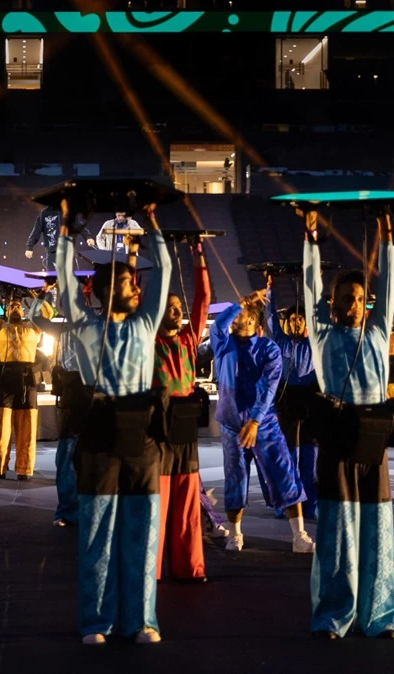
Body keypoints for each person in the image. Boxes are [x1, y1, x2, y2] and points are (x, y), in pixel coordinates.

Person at [57, 200, 168, 645]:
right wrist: (66, 231)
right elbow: (66, 283)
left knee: (141, 532)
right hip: (101, 433)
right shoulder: (85, 326)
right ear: (104, 291)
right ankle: (96, 622)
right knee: (98, 533)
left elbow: (163, 277)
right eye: (126, 281)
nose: (136, 285)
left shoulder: (145, 323)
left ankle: (141, 620)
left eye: (134, 279)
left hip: (141, 433)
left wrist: (154, 226)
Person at [303, 207, 394, 639]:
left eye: (361, 299)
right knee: (338, 532)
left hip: (373, 440)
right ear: (334, 304)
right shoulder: (322, 335)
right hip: (339, 440)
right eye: (347, 299)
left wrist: (388, 239)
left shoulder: (378, 332)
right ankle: (333, 616)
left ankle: (378, 616)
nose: (355, 305)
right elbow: (308, 291)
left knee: (377, 531)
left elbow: (391, 287)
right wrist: (312, 241)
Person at [210, 290, 314, 553]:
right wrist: (239, 305)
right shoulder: (223, 342)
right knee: (235, 478)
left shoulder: (269, 348)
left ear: (255, 324)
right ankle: (235, 535)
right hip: (232, 425)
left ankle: (299, 535)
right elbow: (220, 322)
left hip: (264, 424)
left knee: (284, 474)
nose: (235, 320)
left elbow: (269, 387)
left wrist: (255, 421)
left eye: (242, 316)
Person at [152, 237, 211, 581]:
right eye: (171, 307)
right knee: (157, 503)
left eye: (179, 307)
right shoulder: (150, 341)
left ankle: (191, 567)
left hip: (185, 428)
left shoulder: (189, 340)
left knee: (188, 502)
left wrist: (197, 253)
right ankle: (153, 569)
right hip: (158, 428)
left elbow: (202, 299)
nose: (178, 312)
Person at [30, 285, 89, 528]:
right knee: (66, 457)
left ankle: (86, 508)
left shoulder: (93, 326)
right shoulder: (60, 327)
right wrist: (42, 294)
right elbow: (34, 317)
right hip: (68, 393)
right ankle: (66, 511)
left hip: (88, 393)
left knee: (87, 456)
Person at [266, 274, 319, 522]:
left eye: (301, 319)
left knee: (309, 458)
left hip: (309, 403)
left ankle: (309, 505)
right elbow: (271, 319)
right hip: (287, 402)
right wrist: (270, 290)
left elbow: (320, 320)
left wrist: (315, 282)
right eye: (292, 320)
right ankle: (286, 505)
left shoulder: (314, 344)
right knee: (288, 458)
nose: (296, 323)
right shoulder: (281, 341)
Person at [0, 286, 52, 481]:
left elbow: (48, 313)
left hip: (27, 381)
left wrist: (35, 297)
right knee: (1, 429)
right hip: (5, 380)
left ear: (23, 310)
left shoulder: (33, 327)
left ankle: (24, 468)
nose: (15, 308)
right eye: (12, 306)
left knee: (27, 428)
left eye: (18, 306)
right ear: (6, 311)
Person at [26, 204, 94, 270]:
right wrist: (30, 246)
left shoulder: (69, 211)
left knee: (71, 279)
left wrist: (88, 237)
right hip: (53, 253)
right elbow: (36, 230)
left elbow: (79, 226)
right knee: (52, 279)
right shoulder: (45, 213)